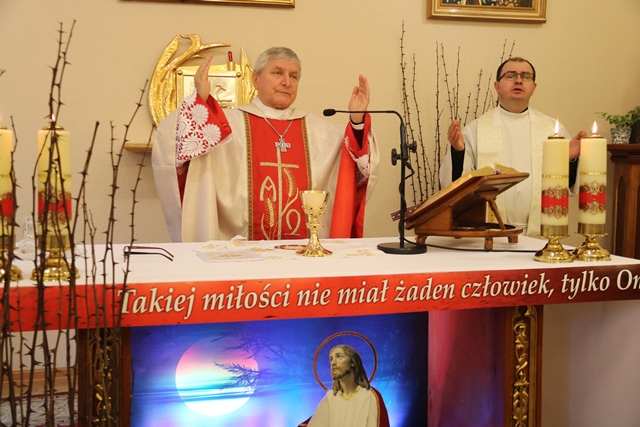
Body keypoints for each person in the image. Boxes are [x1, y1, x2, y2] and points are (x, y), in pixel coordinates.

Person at [152, 47, 379, 242]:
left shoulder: (319, 132)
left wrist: (357, 121)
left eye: (294, 76)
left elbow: (355, 165)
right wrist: (199, 101)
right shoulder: (225, 125)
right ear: (255, 79)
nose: (286, 82)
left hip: (303, 255)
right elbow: (171, 144)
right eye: (277, 73)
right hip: (239, 254)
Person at [439, 57, 587, 237]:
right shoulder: (475, 130)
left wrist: (570, 160)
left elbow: (566, 188)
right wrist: (458, 152)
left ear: (534, 87)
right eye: (510, 75)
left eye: (525, 76)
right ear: (497, 86)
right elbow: (456, 187)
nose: (518, 80)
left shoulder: (552, 130)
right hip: (491, 234)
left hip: (542, 234)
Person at [301, 344, 389, 427]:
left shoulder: (370, 396)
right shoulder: (330, 399)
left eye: (339, 356)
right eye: (331, 359)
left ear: (352, 362)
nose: (333, 363)